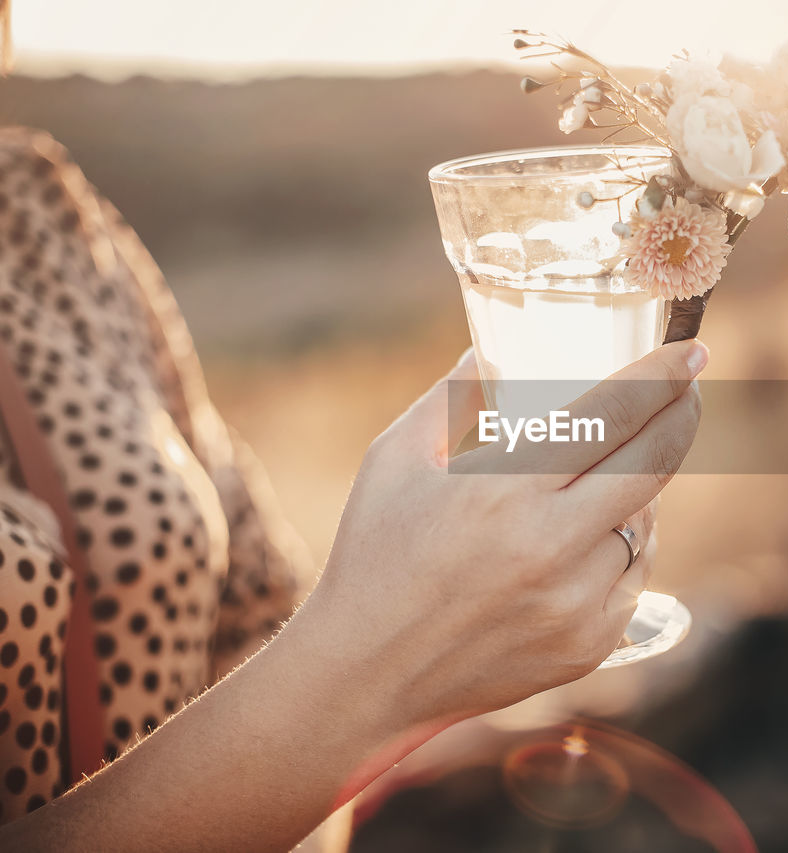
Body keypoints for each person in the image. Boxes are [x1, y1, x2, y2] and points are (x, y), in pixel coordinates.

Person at [0, 9, 706, 848]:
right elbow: (326, 663)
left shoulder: (40, 212)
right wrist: (376, 661)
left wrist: (430, 641)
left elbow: (258, 617)